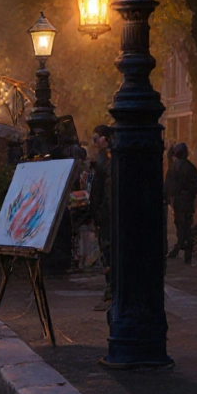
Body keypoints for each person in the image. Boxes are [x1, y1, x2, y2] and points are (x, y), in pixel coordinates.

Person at [89, 125, 113, 310]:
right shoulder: (108, 157)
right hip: (108, 212)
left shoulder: (105, 158)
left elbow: (98, 189)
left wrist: (94, 210)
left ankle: (111, 288)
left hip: (107, 213)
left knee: (108, 252)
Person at [166, 142, 197, 265]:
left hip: (179, 202)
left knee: (182, 226)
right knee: (185, 226)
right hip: (184, 202)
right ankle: (184, 250)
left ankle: (182, 247)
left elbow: (169, 185)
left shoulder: (175, 167)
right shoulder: (189, 168)